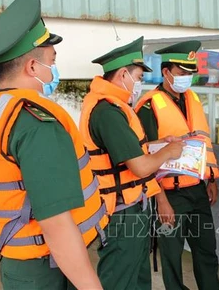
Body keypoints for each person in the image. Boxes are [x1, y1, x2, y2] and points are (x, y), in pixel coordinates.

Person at [0, 0, 108, 289]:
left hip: (20, 260)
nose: (55, 69)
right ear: (33, 67)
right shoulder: (37, 122)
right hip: (47, 268)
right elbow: (56, 226)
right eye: (51, 60)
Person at [79, 36, 185, 290]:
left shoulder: (116, 107)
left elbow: (129, 151)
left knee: (138, 278)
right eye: (138, 78)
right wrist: (169, 152)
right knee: (119, 279)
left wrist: (157, 145)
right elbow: (139, 166)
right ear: (123, 74)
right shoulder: (107, 113)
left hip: (133, 206)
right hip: (120, 213)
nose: (139, 84)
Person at [136, 41, 219, 290]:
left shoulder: (193, 98)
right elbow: (144, 159)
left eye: (190, 73)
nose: (187, 78)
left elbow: (202, 141)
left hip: (197, 190)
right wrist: (160, 199)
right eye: (182, 73)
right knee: (172, 257)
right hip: (168, 195)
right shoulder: (149, 106)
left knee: (207, 251)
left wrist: (212, 180)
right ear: (166, 72)